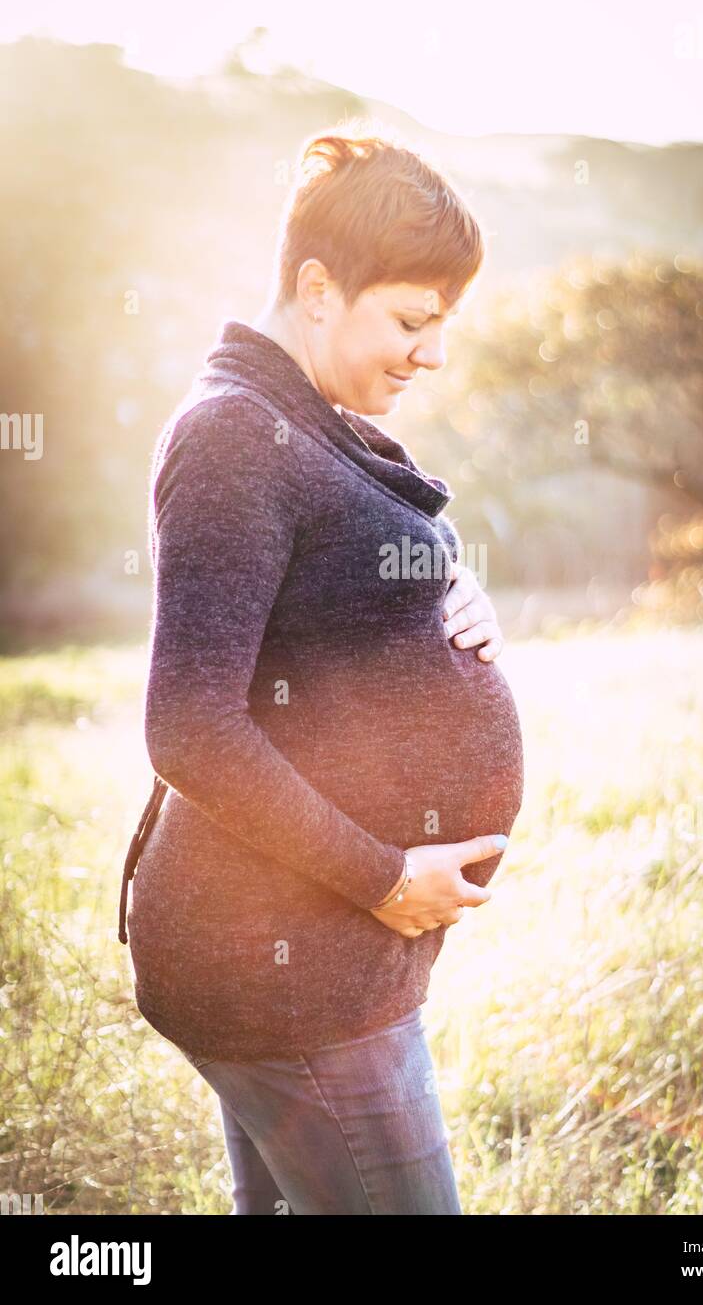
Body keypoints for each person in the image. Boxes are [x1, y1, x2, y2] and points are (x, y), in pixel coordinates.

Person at [123, 126, 525, 1214]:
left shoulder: (302, 425)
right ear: (315, 288)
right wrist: (386, 878)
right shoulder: (230, 439)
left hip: (307, 959)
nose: (431, 354)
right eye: (410, 320)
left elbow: (319, 612)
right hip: (284, 970)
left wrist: (441, 596)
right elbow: (192, 728)